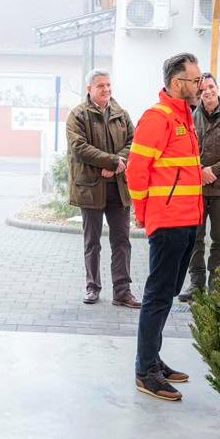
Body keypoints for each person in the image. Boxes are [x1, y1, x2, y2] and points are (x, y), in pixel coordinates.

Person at [126, 52, 205, 401]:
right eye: (196, 80)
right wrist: (146, 216)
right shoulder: (158, 119)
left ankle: (154, 359)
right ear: (177, 83)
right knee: (157, 296)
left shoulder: (185, 118)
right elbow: (136, 171)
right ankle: (146, 371)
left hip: (188, 220)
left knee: (168, 293)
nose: (200, 85)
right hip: (169, 222)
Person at [66, 69, 140, 308]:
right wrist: (111, 161)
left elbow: (134, 142)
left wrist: (118, 162)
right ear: (89, 89)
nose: (106, 90)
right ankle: (92, 287)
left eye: (108, 85)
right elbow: (79, 147)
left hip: (118, 187)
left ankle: (122, 292)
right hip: (91, 187)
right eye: (101, 86)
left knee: (122, 241)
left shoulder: (121, 114)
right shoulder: (78, 115)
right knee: (92, 242)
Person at [179, 72, 220, 302]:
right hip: (195, 190)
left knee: (219, 239)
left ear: (217, 88)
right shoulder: (189, 119)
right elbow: (183, 151)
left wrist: (213, 171)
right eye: (202, 88)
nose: (207, 91)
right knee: (195, 238)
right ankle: (196, 284)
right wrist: (198, 172)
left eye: (210, 86)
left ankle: (216, 285)